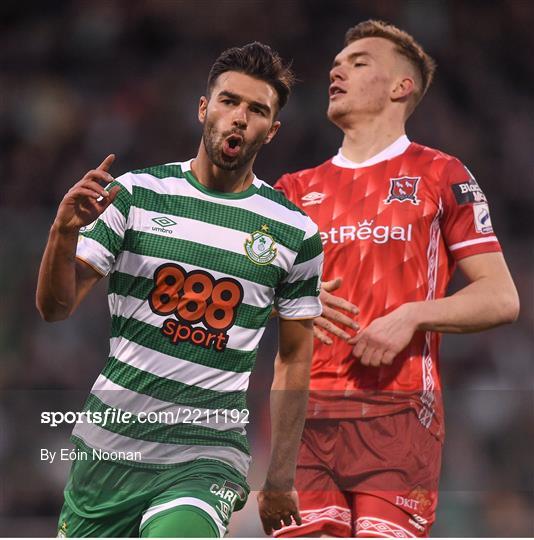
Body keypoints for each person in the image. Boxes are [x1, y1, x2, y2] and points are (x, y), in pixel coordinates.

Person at [36, 42, 324, 538]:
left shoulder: (294, 232)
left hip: (206, 455)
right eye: (230, 101)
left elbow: (295, 357)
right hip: (111, 448)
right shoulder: (136, 196)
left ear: (271, 130)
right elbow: (55, 308)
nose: (239, 118)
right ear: (203, 108)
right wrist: (62, 233)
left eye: (257, 110)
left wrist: (280, 474)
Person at [273, 20, 519, 538]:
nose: (337, 68)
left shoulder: (441, 174)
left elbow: (500, 297)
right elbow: (247, 299)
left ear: (400, 87)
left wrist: (411, 315)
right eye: (338, 62)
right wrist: (289, 292)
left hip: (397, 415)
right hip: (305, 421)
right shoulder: (293, 190)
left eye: (359, 61)